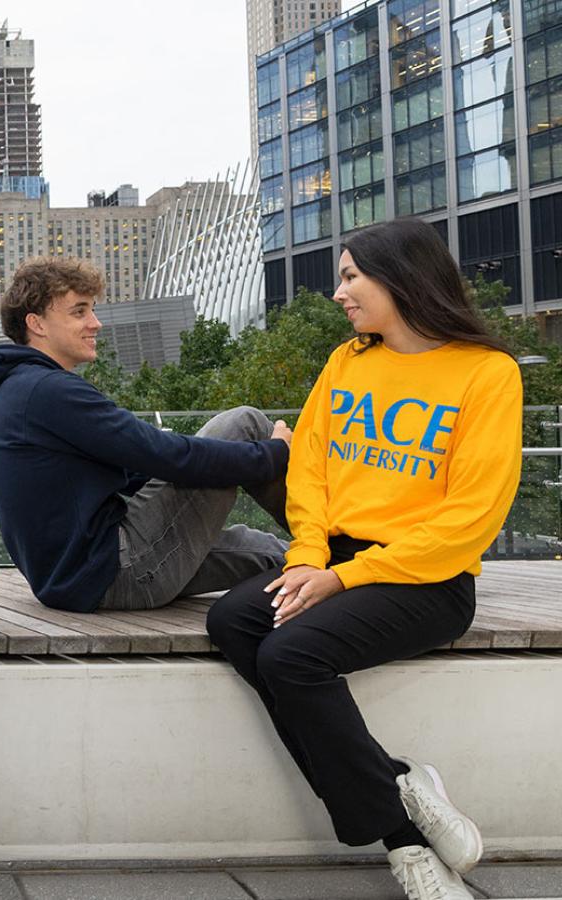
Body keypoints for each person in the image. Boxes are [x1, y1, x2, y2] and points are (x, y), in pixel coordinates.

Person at [206, 218, 523, 900]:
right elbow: (311, 470)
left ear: (401, 277)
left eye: (351, 276)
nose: (339, 293)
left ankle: (404, 850)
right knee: (235, 622)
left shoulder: (485, 374)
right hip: (336, 559)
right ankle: (402, 782)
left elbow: (471, 518)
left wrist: (342, 576)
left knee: (290, 656)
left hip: (427, 577)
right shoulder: (349, 361)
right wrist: (307, 557)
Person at [0, 256, 293, 612]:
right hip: (119, 569)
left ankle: (339, 561)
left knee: (275, 556)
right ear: (37, 324)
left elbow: (135, 472)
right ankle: (339, 540)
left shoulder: (23, 389)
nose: (95, 323)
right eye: (79, 312)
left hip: (83, 578)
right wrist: (274, 454)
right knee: (243, 424)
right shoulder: (47, 391)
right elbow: (168, 456)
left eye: (92, 310)